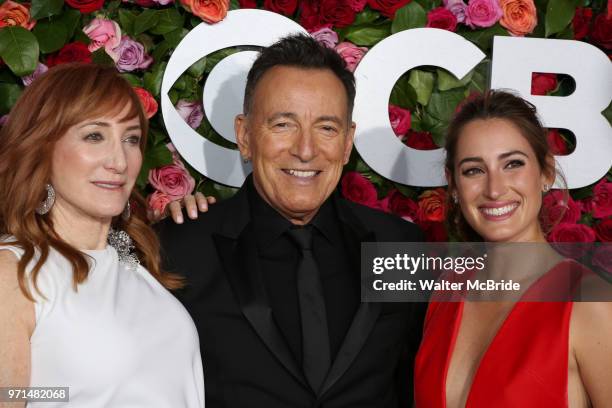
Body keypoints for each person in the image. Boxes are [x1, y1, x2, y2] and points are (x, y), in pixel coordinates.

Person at [157, 34, 424, 407]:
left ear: (347, 143)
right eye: (283, 124)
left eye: (327, 128)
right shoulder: (179, 248)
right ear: (245, 135)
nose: (305, 149)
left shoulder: (402, 247)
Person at [0, 63, 205, 407]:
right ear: (43, 147)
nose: (119, 161)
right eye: (94, 136)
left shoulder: (131, 260)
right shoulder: (14, 273)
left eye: (131, 139)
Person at [414, 90, 612, 407]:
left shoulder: (590, 302)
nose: (494, 189)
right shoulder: (447, 290)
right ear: (453, 185)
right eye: (474, 170)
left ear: (546, 172)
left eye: (513, 164)